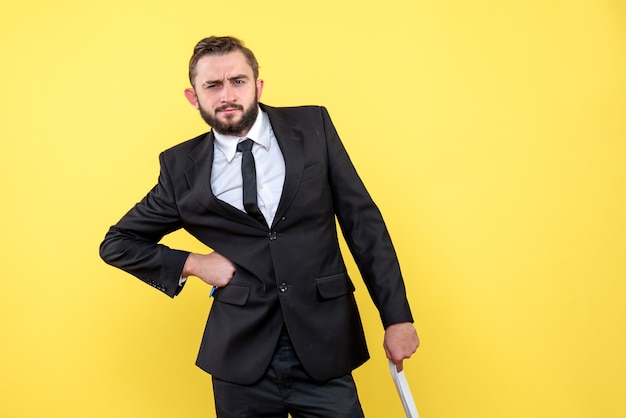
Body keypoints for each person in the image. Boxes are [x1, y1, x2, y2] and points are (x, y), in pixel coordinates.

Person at [100, 35, 419, 417]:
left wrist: (396, 317)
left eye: (238, 81)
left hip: (325, 344)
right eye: (212, 85)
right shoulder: (181, 168)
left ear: (258, 85)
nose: (227, 95)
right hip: (240, 358)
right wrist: (196, 264)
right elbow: (118, 242)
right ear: (193, 96)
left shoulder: (313, 127)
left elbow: (363, 224)